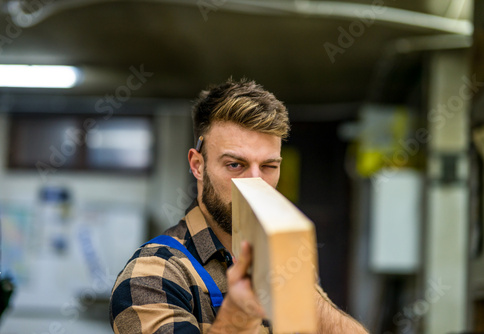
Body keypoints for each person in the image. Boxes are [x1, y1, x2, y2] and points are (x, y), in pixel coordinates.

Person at [109, 78, 368, 333]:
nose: (256, 182)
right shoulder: (153, 274)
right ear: (198, 166)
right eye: (235, 165)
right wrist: (239, 317)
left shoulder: (280, 254)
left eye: (269, 166)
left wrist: (299, 289)